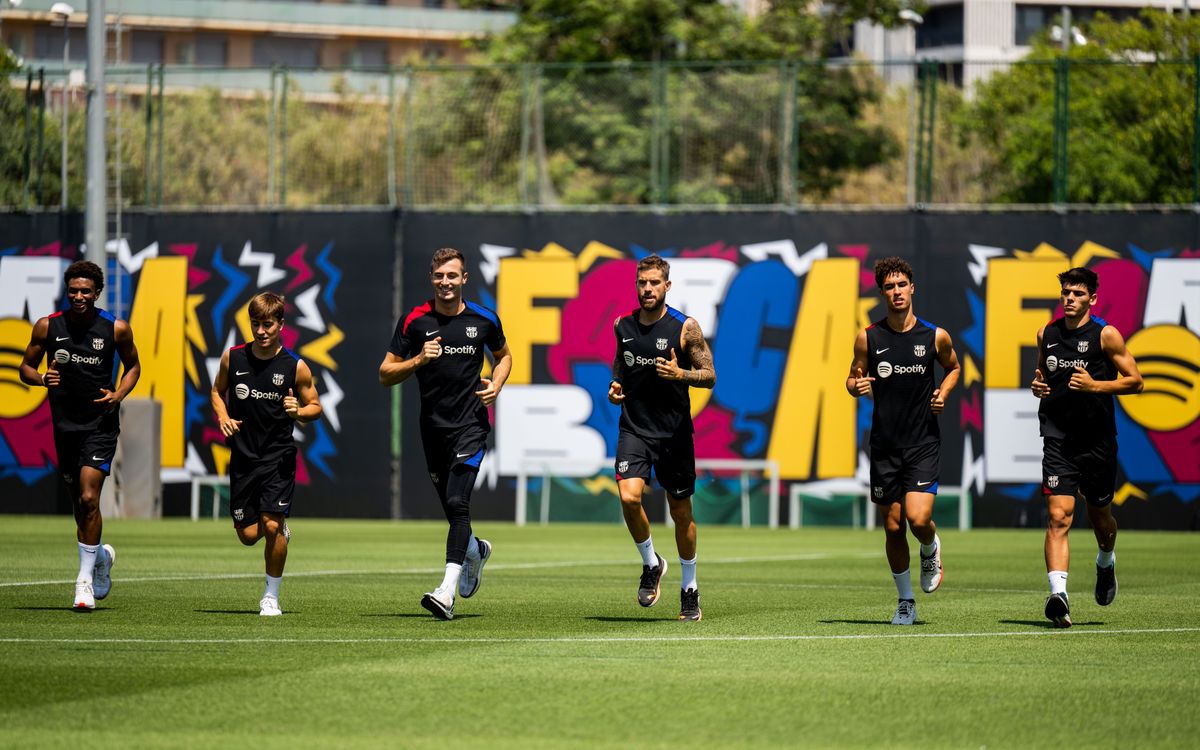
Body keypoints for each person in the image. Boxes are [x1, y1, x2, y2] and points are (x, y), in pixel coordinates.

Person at [380, 247, 512, 621]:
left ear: (464, 278)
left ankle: (446, 592)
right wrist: (419, 359)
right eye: (439, 276)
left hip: (470, 425)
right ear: (431, 277)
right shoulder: (415, 321)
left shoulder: (484, 319)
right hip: (432, 430)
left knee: (458, 504)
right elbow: (385, 373)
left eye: (452, 275)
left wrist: (496, 385)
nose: (445, 282)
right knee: (453, 510)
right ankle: (475, 550)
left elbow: (504, 356)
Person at [19, 260, 141, 611]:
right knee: (79, 506)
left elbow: (133, 366)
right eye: (73, 290)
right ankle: (100, 556)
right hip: (65, 427)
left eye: (86, 291)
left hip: (100, 425)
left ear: (97, 293)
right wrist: (41, 378)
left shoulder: (115, 329)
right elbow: (25, 367)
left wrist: (118, 394)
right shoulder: (47, 327)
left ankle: (84, 582)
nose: (79, 296)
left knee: (90, 498)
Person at [847, 257, 960, 626]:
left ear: (913, 288)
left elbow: (954, 367)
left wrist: (942, 392)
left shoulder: (934, 336)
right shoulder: (869, 337)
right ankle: (905, 601)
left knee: (917, 517)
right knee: (893, 526)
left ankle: (930, 546)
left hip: (923, 442)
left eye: (902, 285)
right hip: (884, 445)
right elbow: (852, 377)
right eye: (889, 287)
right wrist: (856, 386)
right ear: (882, 293)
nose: (896, 292)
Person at [1030, 267, 1142, 628]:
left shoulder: (1105, 335)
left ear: (1092, 299)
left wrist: (1095, 386)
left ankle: (1106, 560)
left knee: (1099, 517)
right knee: (1059, 516)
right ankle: (1058, 596)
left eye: (1077, 294)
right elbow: (1040, 376)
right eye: (1065, 292)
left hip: (1097, 441)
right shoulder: (1046, 333)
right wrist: (1038, 386)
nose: (1069, 299)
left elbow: (1136, 381)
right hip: (1058, 438)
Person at [607, 255, 716, 622]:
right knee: (628, 495)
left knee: (680, 512)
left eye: (654, 283)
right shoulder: (622, 325)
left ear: (667, 286)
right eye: (642, 283)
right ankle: (651, 563)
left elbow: (709, 375)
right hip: (634, 428)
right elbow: (620, 366)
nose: (647, 289)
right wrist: (615, 387)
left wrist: (680, 374)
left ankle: (689, 588)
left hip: (674, 434)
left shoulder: (685, 328)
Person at [211, 292, 322, 617]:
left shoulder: (295, 366)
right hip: (244, 459)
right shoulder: (233, 358)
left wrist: (299, 411)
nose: (261, 331)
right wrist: (223, 416)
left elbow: (316, 406)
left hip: (278, 459)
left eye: (268, 324)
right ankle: (275, 526)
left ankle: (270, 596)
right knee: (248, 536)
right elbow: (217, 391)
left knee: (272, 526)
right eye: (256, 324)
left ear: (281, 325)